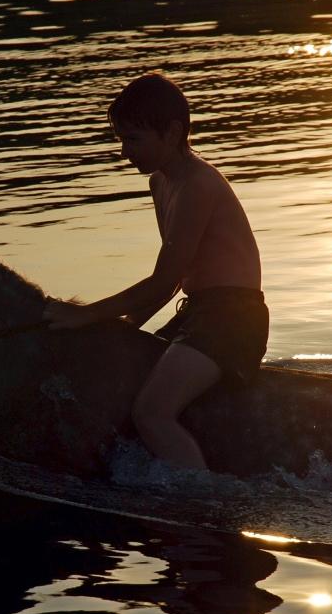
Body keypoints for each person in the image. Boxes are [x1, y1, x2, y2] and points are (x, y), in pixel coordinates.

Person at [43, 72, 268, 471]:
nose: (125, 152)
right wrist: (127, 327)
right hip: (198, 313)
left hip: (233, 321)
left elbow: (163, 281)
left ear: (173, 132)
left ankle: (200, 505)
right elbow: (175, 279)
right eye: (121, 139)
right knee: (122, 376)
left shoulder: (198, 184)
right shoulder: (160, 183)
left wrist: (85, 314)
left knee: (152, 412)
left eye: (134, 139)